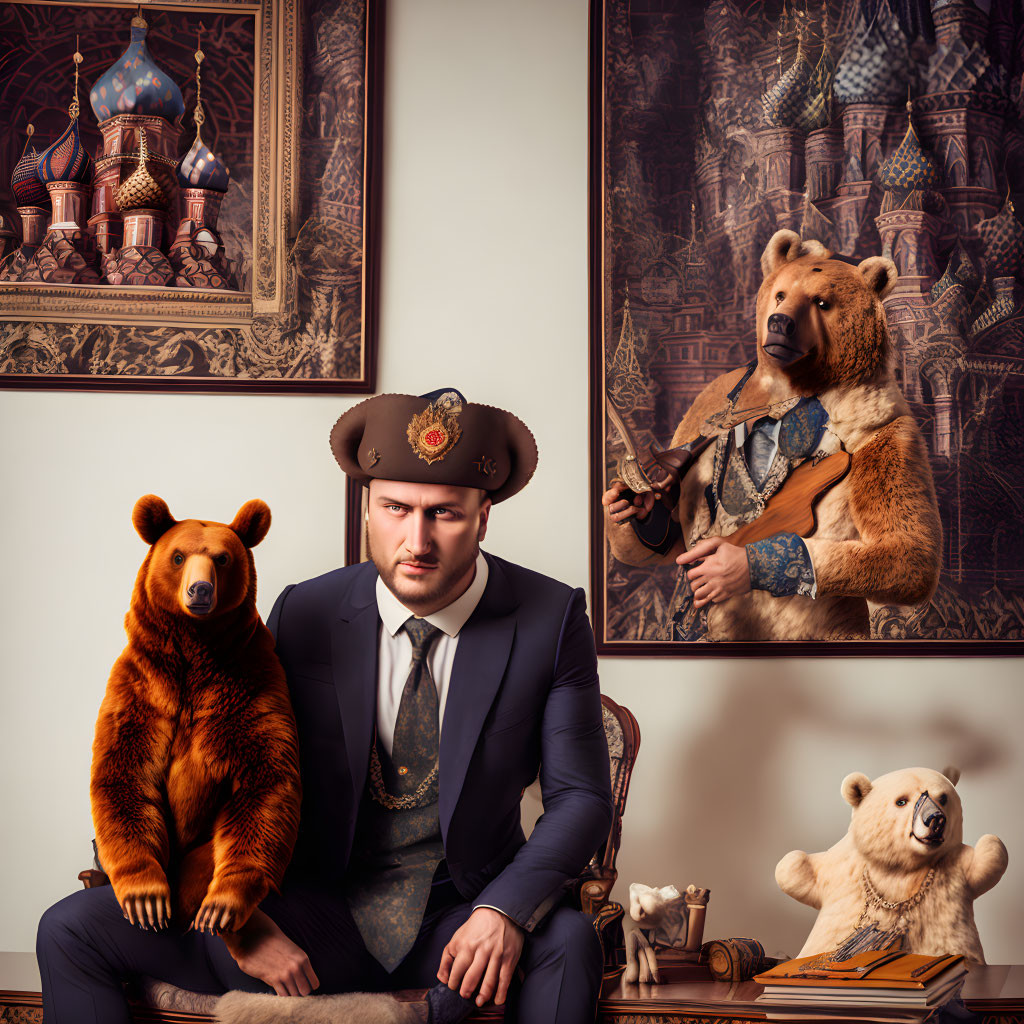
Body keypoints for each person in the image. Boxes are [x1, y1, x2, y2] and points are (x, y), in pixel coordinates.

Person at [37, 388, 613, 1024]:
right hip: (309, 915)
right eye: (396, 508)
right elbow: (209, 763)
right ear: (368, 508)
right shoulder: (302, 610)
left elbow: (581, 798)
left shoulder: (550, 618)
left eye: (444, 513)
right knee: (69, 929)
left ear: (482, 516)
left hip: (461, 917)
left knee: (569, 941)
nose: (416, 539)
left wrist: (503, 911)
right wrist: (239, 922)